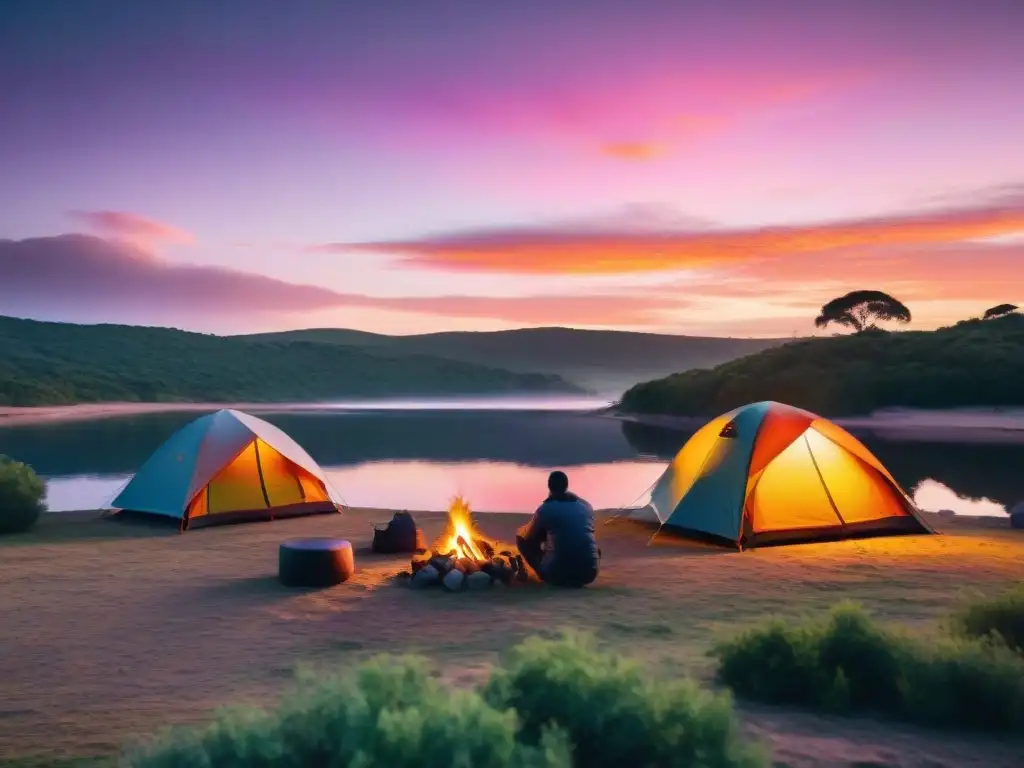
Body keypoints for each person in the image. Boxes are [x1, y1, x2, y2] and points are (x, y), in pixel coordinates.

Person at [516, 470, 600, 587]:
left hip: (556, 575)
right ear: (567, 485)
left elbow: (527, 536)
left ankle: (544, 570)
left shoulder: (545, 509)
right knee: (588, 542)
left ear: (549, 486)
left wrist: (521, 531)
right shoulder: (586, 507)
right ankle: (581, 567)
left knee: (521, 539)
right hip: (589, 574)